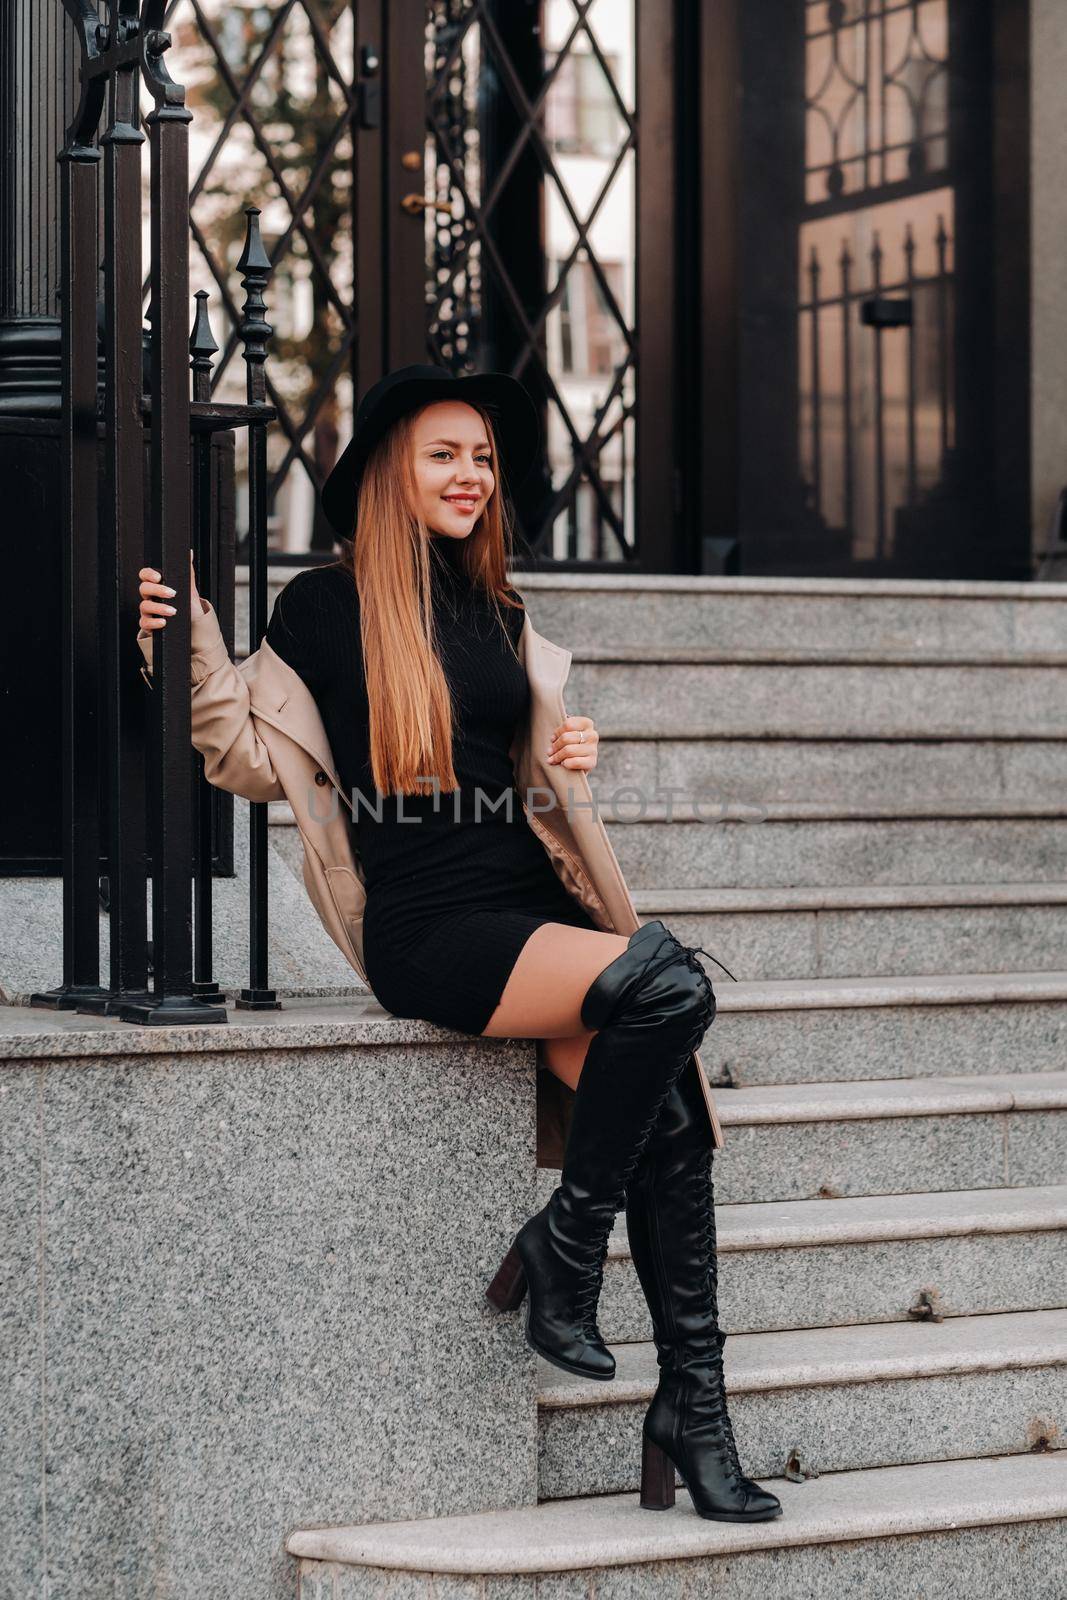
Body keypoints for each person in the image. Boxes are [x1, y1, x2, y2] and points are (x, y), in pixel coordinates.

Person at [137, 364, 780, 1523]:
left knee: (671, 1113)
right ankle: (566, 1250)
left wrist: (563, 756)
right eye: (445, 454)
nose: (471, 476)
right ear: (391, 469)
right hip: (430, 927)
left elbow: (518, 783)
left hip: (534, 905)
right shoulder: (322, 611)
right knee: (669, 990)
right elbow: (239, 752)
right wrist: (182, 642)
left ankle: (692, 1404)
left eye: (481, 458)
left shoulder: (502, 613)